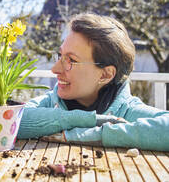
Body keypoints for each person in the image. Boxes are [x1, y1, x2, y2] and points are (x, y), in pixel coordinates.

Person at [17, 13, 169, 151]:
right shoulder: (50, 102)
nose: (55, 69)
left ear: (105, 74)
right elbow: (14, 121)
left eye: (71, 60)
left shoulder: (126, 112)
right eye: (60, 55)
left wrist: (88, 135)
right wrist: (87, 119)